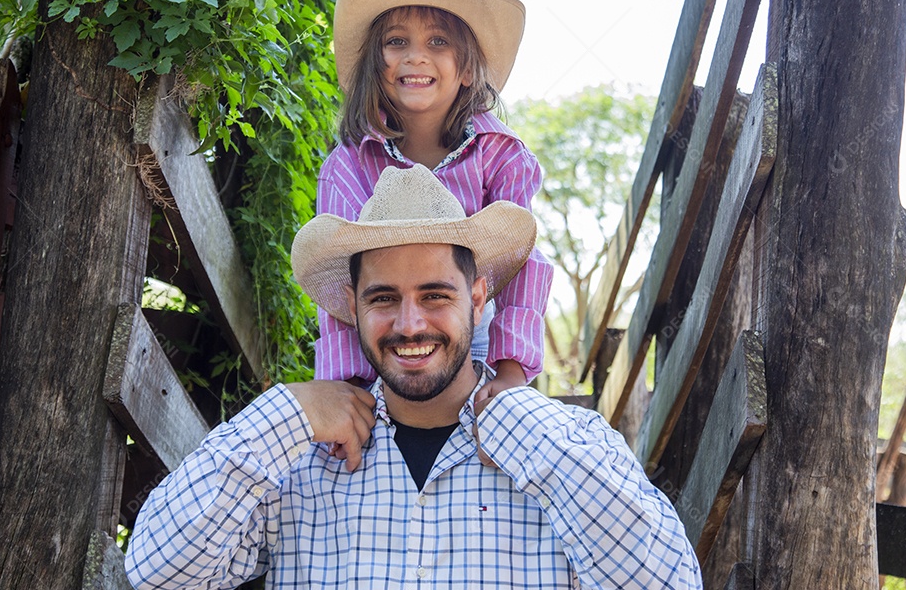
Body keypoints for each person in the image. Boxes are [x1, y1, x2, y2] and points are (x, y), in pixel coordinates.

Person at [126, 165, 702, 589]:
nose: (409, 324)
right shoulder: (299, 464)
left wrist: (525, 427)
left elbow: (670, 583)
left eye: (435, 294)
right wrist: (285, 415)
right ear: (351, 306)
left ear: (477, 295)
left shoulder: (570, 446)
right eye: (383, 298)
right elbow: (156, 572)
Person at [316, 0, 553, 405]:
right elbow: (338, 273)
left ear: (467, 68)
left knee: (495, 416)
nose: (416, 58)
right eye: (397, 41)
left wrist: (508, 373)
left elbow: (524, 260)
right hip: (380, 332)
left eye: (439, 42)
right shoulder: (347, 165)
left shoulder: (501, 154)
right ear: (375, 63)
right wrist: (345, 387)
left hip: (475, 329)